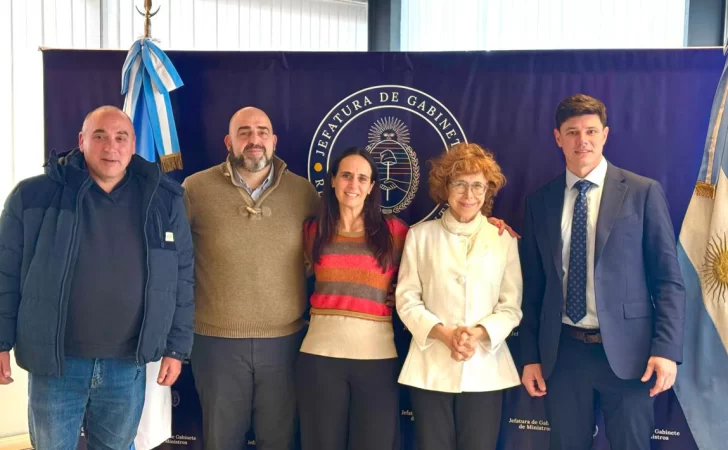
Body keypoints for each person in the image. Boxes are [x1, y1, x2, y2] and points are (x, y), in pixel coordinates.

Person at [0, 105, 194, 450]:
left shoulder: (163, 200)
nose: (111, 147)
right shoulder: (32, 196)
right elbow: (5, 273)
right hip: (55, 365)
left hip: (127, 367)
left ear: (133, 144)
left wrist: (177, 348)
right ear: (81, 141)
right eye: (100, 136)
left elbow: (181, 278)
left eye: (121, 137)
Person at [519, 94, 686, 450]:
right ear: (558, 137)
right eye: (572, 132)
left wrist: (666, 349)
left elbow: (668, 281)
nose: (583, 140)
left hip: (631, 355)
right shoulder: (539, 202)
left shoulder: (642, 192)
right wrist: (530, 356)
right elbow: (533, 288)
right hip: (562, 354)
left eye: (591, 131)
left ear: (605, 134)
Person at [182, 106, 320, 450]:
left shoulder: (304, 193)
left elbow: (322, 257)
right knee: (221, 441)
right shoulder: (195, 189)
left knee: (280, 440)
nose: (254, 139)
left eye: (262, 132)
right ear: (228, 142)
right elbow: (175, 261)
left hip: (285, 342)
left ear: (274, 141)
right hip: (216, 343)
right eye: (244, 132)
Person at [396, 143, 523, 450]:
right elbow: (407, 299)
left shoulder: (503, 239)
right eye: (460, 184)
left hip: (486, 368)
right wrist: (444, 335)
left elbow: (511, 307)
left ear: (487, 190)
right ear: (445, 188)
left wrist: (477, 334)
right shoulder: (420, 236)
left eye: (477, 185)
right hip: (429, 368)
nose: (469, 194)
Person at [295, 148, 409, 450]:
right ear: (333, 180)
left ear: (371, 186)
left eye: (362, 178)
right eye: (346, 175)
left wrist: (487, 226)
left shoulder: (395, 233)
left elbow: (434, 256)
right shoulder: (312, 231)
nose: (353, 184)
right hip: (320, 359)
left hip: (377, 360)